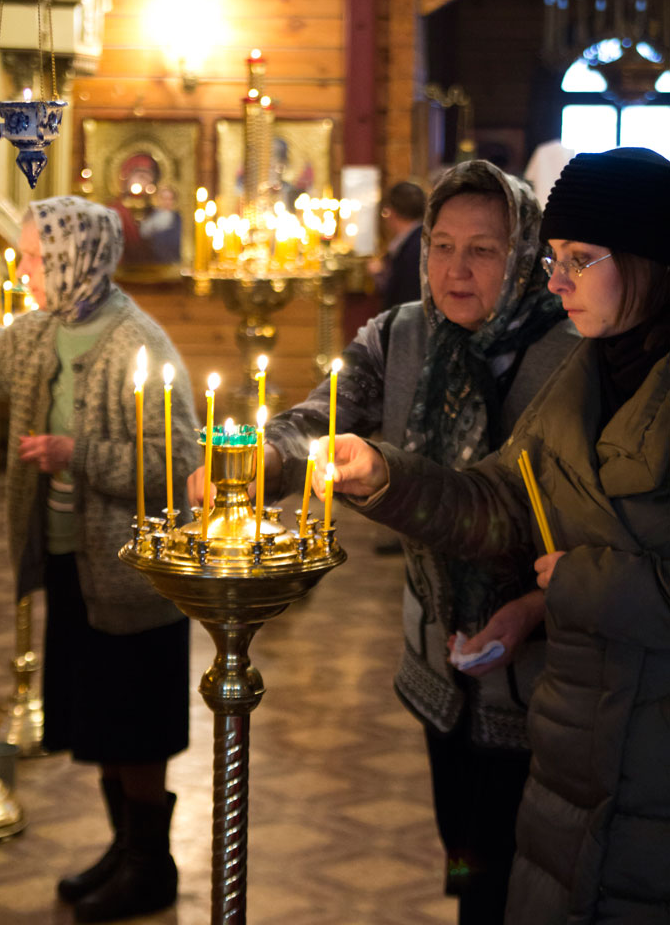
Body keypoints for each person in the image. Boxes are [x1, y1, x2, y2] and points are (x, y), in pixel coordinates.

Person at [188, 159, 577, 923]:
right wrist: (263, 460)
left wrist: (537, 605)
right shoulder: (400, 335)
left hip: (541, 671)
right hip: (438, 656)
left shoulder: (567, 351)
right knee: (460, 844)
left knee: (518, 867)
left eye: (482, 250)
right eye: (440, 246)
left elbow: (579, 520)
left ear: (526, 254)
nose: (454, 270)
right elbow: (318, 419)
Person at [315, 146, 670, 924]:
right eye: (550, 259)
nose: (555, 281)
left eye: (577, 260)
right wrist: (383, 475)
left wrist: (575, 585)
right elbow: (501, 501)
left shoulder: (577, 360)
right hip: (579, 735)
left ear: (646, 261)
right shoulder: (586, 374)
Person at [0, 196, 200, 923]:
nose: (22, 271)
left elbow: (178, 461)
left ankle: (151, 867)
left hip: (131, 576)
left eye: (32, 258)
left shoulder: (136, 341)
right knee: (103, 718)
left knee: (135, 721)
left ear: (71, 260)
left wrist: (76, 454)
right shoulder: (37, 331)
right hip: (70, 565)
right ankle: (125, 851)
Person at [368, 180, 426, 309]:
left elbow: (406, 296)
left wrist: (379, 273)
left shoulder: (414, 247)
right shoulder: (419, 239)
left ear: (390, 212)